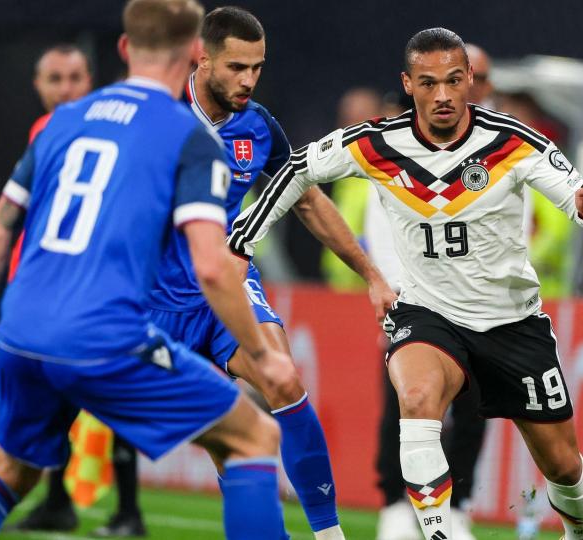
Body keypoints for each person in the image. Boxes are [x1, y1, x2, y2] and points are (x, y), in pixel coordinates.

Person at [228, 28, 583, 540]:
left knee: (562, 464)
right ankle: (436, 533)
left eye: (455, 81)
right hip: (429, 312)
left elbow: (574, 193)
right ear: (408, 84)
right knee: (416, 396)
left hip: (511, 322)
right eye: (429, 83)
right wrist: (241, 241)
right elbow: (298, 167)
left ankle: (579, 532)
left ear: (470, 80)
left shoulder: (512, 141)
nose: (444, 95)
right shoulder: (376, 143)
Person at [0, 1, 290, 539]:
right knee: (253, 436)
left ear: (122, 48)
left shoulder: (60, 122)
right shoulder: (191, 138)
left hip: (22, 329)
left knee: (11, 474)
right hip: (101, 333)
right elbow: (211, 263)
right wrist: (258, 354)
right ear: (194, 54)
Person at [146, 7, 394, 539]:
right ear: (202, 58)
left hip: (227, 284)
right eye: (237, 67)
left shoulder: (257, 126)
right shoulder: (158, 114)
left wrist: (371, 273)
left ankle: (329, 534)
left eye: (257, 67)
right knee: (229, 435)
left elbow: (307, 202)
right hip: (152, 300)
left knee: (285, 379)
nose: (249, 80)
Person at [10, 43, 150, 539]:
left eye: (74, 78)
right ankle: (57, 501)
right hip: (50, 287)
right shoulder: (42, 131)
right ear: (38, 85)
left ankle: (129, 510)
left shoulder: (108, 129)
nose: (65, 88)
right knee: (53, 399)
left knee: (114, 393)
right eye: (55, 79)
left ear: (90, 81)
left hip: (100, 286)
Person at [372, 42, 493, 540]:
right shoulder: (405, 140)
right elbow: (381, 216)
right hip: (416, 296)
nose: (473, 88)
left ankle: (456, 504)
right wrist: (390, 283)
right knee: (406, 396)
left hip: (482, 304)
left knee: (474, 407)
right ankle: (397, 506)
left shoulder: (507, 144)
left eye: (478, 78)